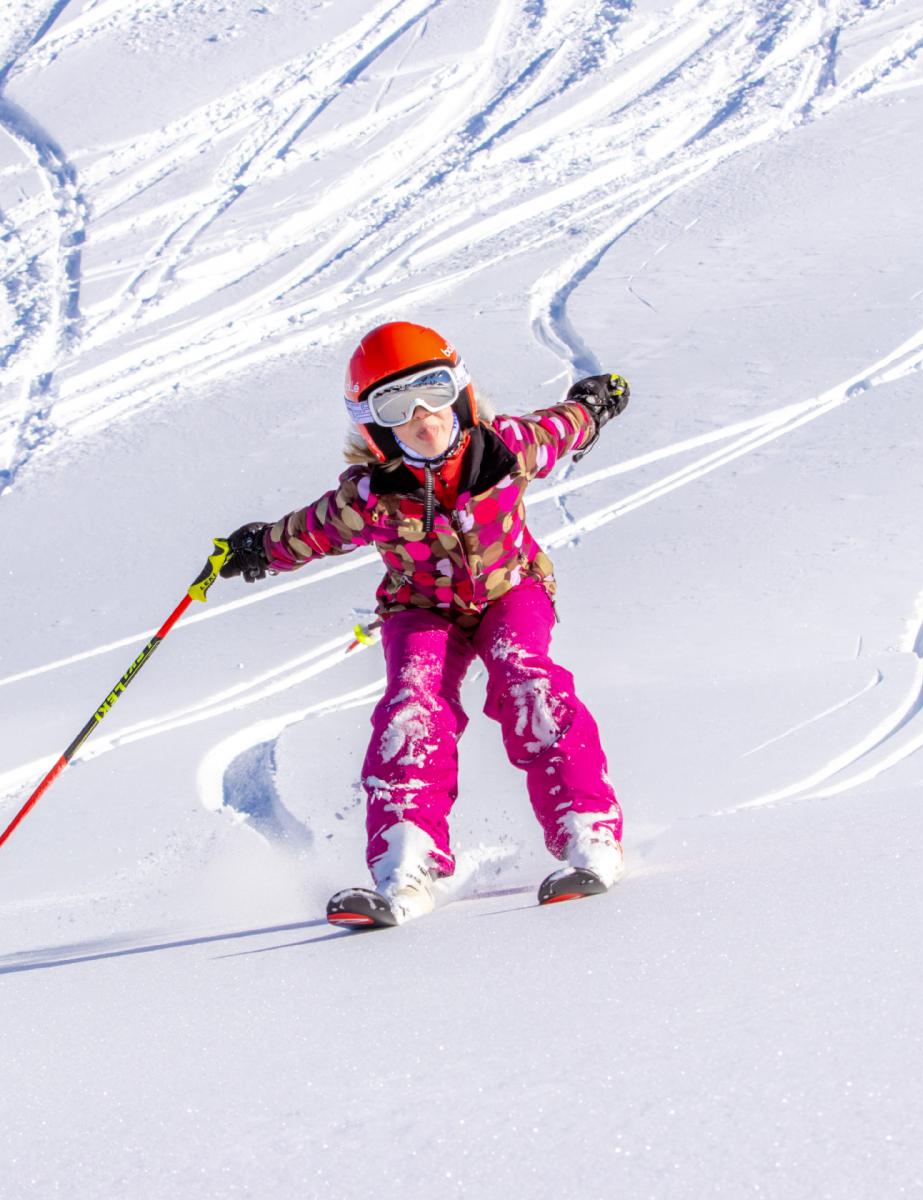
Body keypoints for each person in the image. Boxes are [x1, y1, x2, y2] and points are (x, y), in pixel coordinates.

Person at [221, 321, 628, 923]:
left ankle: (587, 832)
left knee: (526, 677)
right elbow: (310, 532)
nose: (422, 414)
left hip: (510, 591)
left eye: (434, 391)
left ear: (461, 391)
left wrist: (592, 405)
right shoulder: (371, 497)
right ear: (373, 423)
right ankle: (404, 864)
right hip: (418, 609)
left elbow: (563, 428)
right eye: (395, 404)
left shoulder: (508, 448)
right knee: (414, 702)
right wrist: (257, 547)